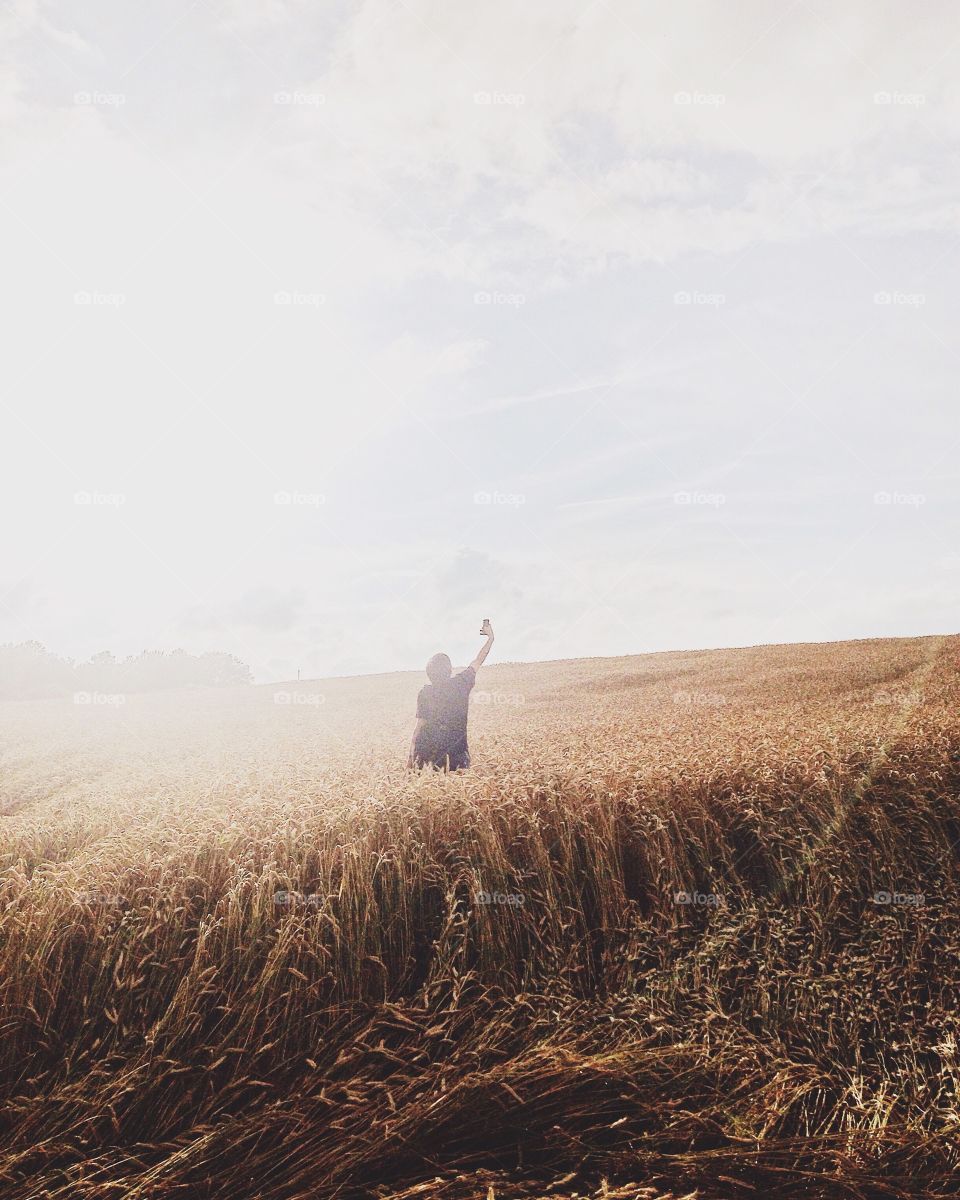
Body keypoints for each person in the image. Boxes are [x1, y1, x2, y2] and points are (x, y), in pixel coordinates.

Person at [408, 620, 495, 771]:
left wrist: (410, 760)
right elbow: (478, 660)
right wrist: (490, 638)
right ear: (449, 670)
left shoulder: (425, 693)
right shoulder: (461, 683)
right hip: (459, 758)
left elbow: (419, 729)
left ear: (429, 673)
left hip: (429, 758)